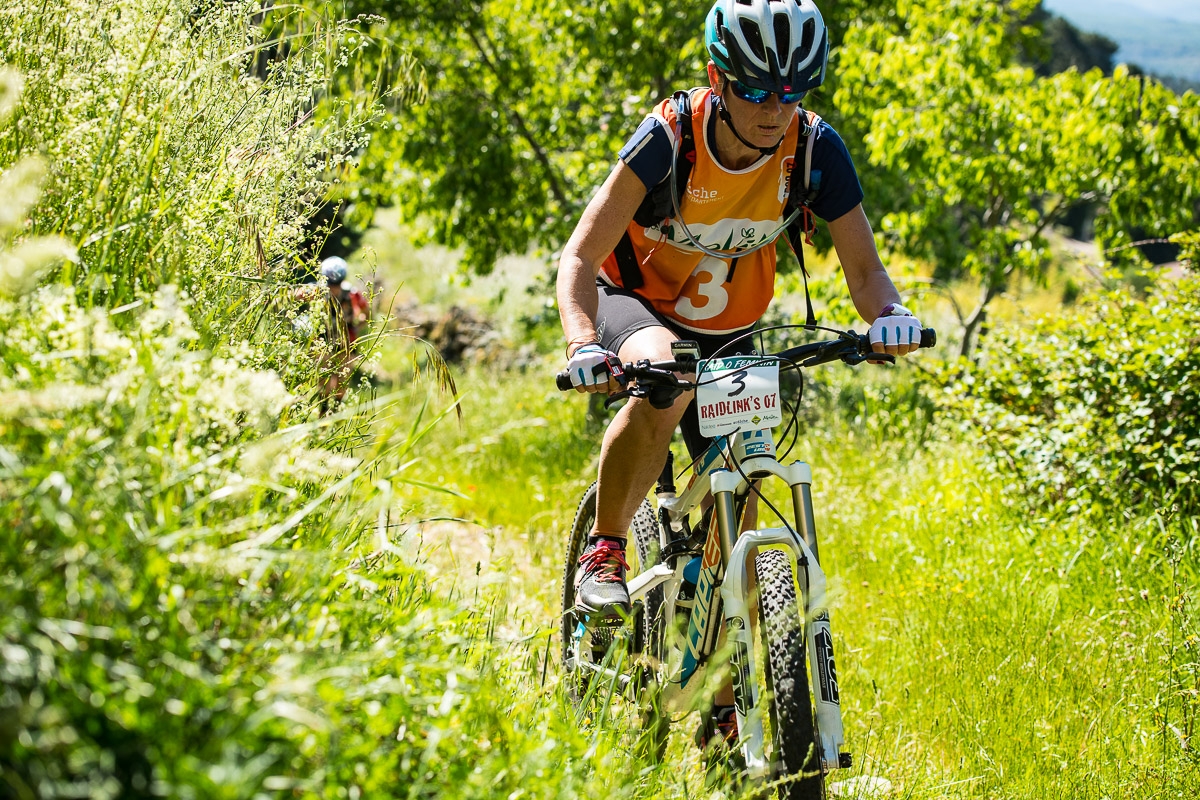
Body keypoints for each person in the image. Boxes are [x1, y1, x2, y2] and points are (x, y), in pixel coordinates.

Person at [556, 0, 923, 745]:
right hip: (637, 307)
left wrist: (890, 317)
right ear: (720, 80)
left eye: (793, 92)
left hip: (737, 328)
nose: (774, 110)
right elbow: (580, 258)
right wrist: (583, 343)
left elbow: (865, 272)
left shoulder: (816, 150)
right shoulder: (669, 139)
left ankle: (726, 689)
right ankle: (606, 547)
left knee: (747, 489)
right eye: (756, 91)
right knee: (669, 375)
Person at [295, 256, 371, 411]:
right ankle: (322, 414)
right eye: (330, 283)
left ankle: (335, 414)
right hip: (321, 341)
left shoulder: (352, 294)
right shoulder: (316, 291)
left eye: (336, 284)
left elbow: (367, 312)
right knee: (325, 383)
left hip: (347, 342)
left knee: (342, 383)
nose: (333, 288)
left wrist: (357, 327)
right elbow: (295, 296)